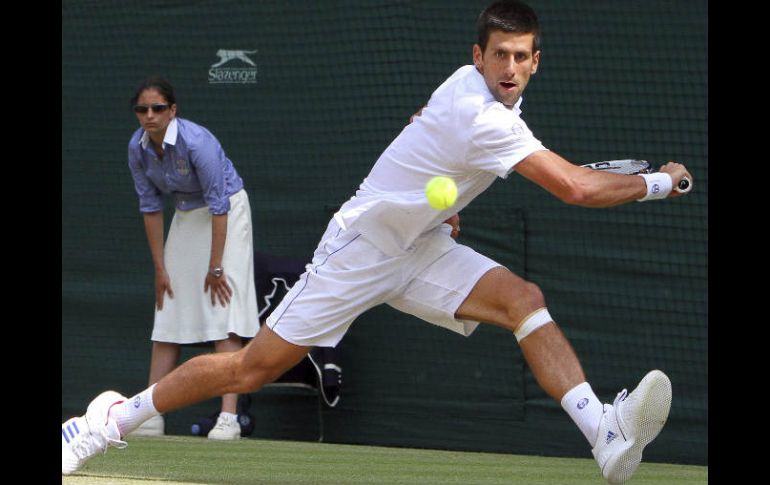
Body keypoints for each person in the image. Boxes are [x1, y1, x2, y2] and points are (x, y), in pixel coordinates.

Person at [62, 2, 692, 483]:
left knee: (521, 298)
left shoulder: (473, 95)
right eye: (499, 54)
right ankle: (108, 420)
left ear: (535, 60)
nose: (510, 68)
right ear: (479, 55)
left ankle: (603, 432)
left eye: (521, 56)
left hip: (417, 242)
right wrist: (660, 183)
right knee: (254, 367)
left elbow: (422, 133)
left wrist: (427, 205)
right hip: (361, 247)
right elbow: (577, 190)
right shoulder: (485, 117)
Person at [122, 78, 259, 440]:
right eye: (142, 110)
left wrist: (216, 267)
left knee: (222, 309)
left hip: (226, 212)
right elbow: (150, 207)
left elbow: (219, 205)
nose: (150, 116)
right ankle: (149, 415)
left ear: (172, 111)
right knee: (168, 307)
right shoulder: (137, 149)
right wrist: (160, 268)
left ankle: (228, 419)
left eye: (158, 108)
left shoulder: (198, 142)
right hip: (185, 216)